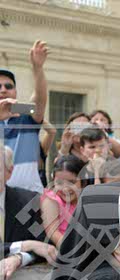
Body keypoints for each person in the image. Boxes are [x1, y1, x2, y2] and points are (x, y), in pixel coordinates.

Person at [0, 145, 55, 280]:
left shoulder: (28, 203)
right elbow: (35, 245)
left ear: (9, 172)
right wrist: (26, 245)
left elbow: (44, 246)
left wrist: (19, 258)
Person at [0, 41, 49, 194]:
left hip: (29, 199)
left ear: (15, 92)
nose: (3, 90)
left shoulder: (23, 111)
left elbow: (39, 101)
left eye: (8, 86)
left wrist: (38, 69)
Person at [40, 154, 84, 247]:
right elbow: (53, 232)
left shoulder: (84, 198)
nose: (65, 189)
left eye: (72, 182)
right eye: (59, 183)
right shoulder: (52, 200)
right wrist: (73, 251)